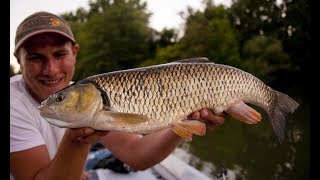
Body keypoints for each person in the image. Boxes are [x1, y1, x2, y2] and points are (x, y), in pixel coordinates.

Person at [10, 11, 225, 180]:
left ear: (74, 53)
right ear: (19, 60)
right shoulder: (13, 103)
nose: (51, 69)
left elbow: (135, 154)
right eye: (36, 58)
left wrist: (182, 121)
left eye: (59, 54)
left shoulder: (83, 94)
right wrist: (77, 141)